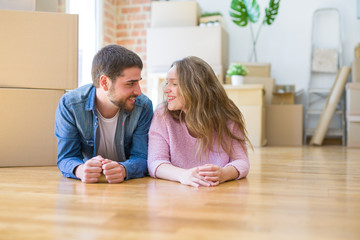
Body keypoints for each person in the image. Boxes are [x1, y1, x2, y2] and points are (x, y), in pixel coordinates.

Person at [55, 44, 153, 183]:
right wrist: (80, 170)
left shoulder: (143, 106)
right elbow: (66, 157)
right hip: (89, 187)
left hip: (127, 186)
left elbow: (142, 157)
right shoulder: (70, 105)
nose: (138, 91)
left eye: (138, 82)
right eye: (130, 83)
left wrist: (124, 169)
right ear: (105, 82)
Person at [148, 56, 251, 187]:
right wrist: (183, 175)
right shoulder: (162, 115)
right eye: (167, 83)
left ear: (195, 87)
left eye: (174, 84)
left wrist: (223, 174)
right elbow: (155, 162)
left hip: (218, 192)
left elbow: (241, 161)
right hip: (175, 192)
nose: (166, 90)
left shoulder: (227, 115)